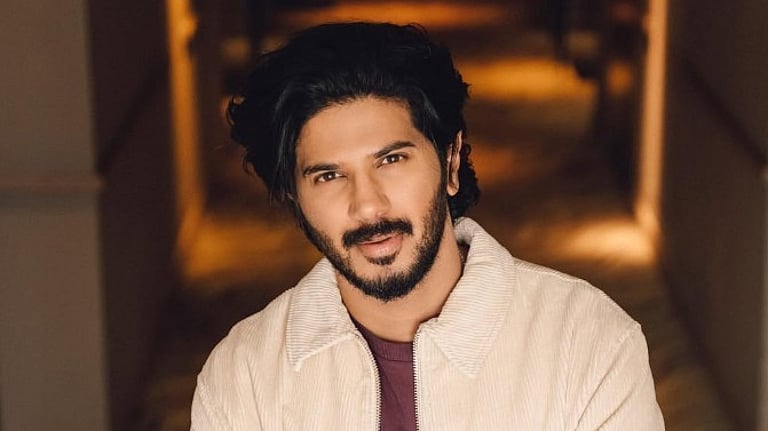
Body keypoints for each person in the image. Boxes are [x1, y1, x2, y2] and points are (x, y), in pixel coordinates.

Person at [191, 22, 665, 430]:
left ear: (451, 160)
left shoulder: (589, 342)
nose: (367, 205)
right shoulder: (242, 376)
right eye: (329, 176)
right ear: (295, 199)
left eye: (392, 160)